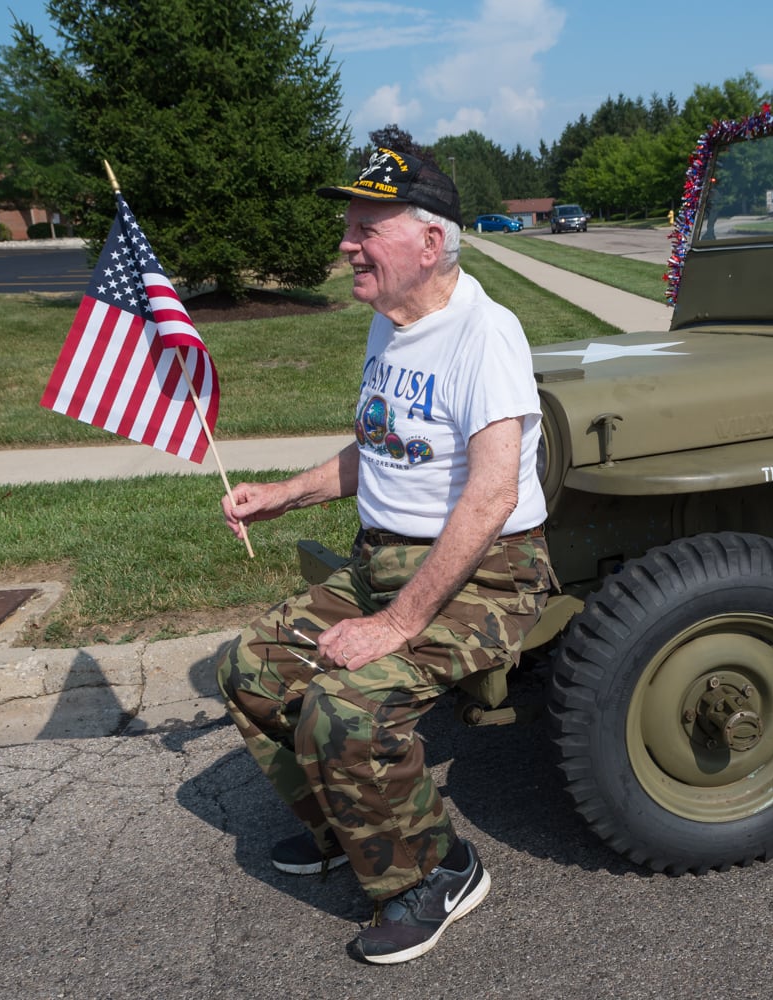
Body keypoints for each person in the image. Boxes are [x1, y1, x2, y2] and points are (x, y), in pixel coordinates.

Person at [215, 146, 554, 965]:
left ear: (429, 243)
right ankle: (356, 833)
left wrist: (397, 624)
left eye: (367, 228)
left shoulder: (486, 333)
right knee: (251, 671)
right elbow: (383, 447)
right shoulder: (390, 323)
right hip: (384, 560)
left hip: (486, 572)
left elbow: (492, 495)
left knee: (349, 707)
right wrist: (285, 493)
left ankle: (437, 873)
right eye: (349, 226)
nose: (346, 244)